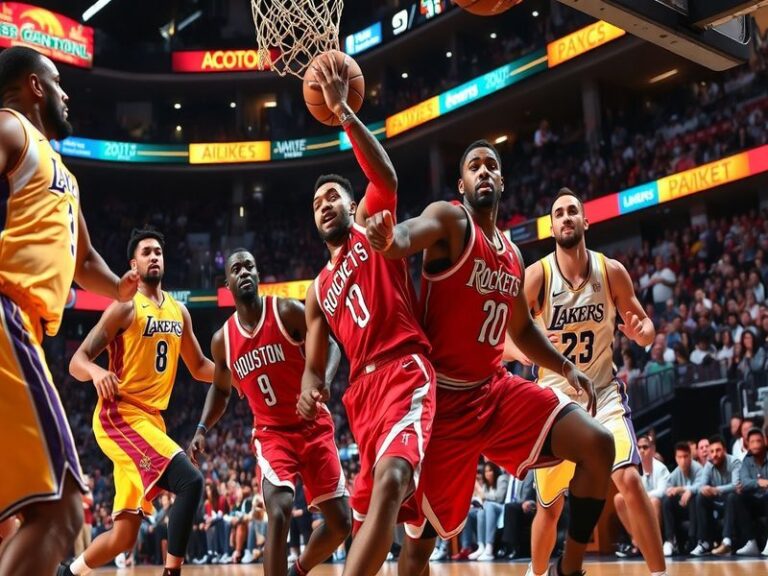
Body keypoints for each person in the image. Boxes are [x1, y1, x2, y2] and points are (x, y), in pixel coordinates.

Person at [366, 141, 615, 576]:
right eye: (474, 167)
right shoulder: (450, 218)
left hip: (495, 392)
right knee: (419, 547)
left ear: (502, 181)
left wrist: (565, 366)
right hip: (441, 406)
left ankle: (568, 569)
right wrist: (390, 238)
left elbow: (519, 329)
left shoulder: (513, 254)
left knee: (598, 443)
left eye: (491, 166)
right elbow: (406, 236)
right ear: (460, 183)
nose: (483, 172)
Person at [0, 45, 140, 575]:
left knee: (12, 522)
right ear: (34, 85)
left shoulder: (63, 176)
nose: (65, 92)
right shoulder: (10, 127)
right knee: (60, 513)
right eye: (57, 82)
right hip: (7, 315)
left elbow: (85, 262)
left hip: (25, 330)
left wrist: (120, 287)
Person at [297, 53, 436, 576]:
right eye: (316, 203)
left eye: (332, 196)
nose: (325, 205)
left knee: (394, 482)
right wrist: (311, 385)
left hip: (404, 369)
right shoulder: (317, 288)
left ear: (352, 202)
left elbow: (389, 177)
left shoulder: (368, 227)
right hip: (360, 398)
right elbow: (316, 360)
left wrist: (344, 115)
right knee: (377, 519)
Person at [521, 188, 667, 576]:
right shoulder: (536, 276)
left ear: (585, 222)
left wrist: (643, 334)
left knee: (630, 480)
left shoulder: (611, 271)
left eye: (573, 211)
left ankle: (660, 573)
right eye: (559, 214)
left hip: (602, 394)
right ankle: (536, 573)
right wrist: (526, 351)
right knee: (549, 509)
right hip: (552, 401)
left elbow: (646, 326)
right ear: (551, 227)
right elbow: (500, 338)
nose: (566, 217)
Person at [59, 228, 214, 576]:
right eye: (146, 252)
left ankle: (66, 573)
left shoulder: (179, 312)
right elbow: (76, 361)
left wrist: (238, 376)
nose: (154, 256)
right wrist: (98, 373)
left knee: (124, 536)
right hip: (120, 415)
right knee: (191, 482)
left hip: (150, 421)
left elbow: (201, 366)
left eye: (159, 251)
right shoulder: (125, 308)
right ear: (134, 263)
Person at [188, 248, 351, 576]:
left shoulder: (286, 311)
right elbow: (221, 390)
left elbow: (330, 344)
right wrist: (202, 428)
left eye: (250, 266)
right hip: (272, 434)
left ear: (259, 275)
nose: (244, 272)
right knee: (278, 512)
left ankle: (298, 570)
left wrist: (324, 382)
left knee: (341, 523)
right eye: (237, 269)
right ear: (228, 284)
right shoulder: (223, 341)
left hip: (313, 426)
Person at [614, 435, 669, 558]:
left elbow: (662, 491)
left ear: (653, 450)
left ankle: (654, 544)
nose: (642, 450)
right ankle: (637, 542)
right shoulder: (634, 468)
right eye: (639, 447)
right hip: (640, 504)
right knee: (619, 498)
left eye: (645, 447)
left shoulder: (661, 468)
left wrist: (642, 497)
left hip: (657, 505)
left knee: (654, 501)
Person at [661, 442, 703, 556]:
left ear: (690, 456)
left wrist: (685, 490)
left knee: (695, 497)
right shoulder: (675, 473)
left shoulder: (698, 468)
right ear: (676, 458)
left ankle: (693, 539)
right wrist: (671, 492)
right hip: (682, 507)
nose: (683, 460)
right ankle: (670, 540)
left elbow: (701, 485)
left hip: (696, 507)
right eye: (680, 457)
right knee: (666, 501)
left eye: (685, 456)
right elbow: (667, 488)